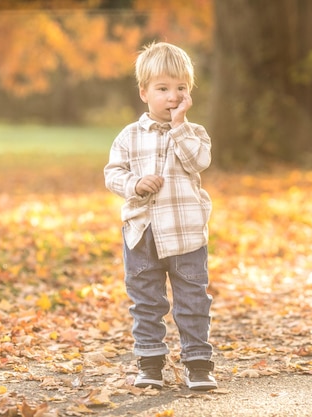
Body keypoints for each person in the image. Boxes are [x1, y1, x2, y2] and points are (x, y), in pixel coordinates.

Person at [104, 42, 216, 391]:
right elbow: (112, 173)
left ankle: (198, 363)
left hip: (185, 233)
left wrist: (180, 125)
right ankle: (150, 362)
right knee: (146, 300)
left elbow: (199, 162)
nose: (172, 97)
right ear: (144, 93)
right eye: (163, 89)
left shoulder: (194, 133)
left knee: (192, 300)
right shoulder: (129, 137)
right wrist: (135, 184)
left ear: (189, 93)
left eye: (180, 88)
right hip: (142, 233)